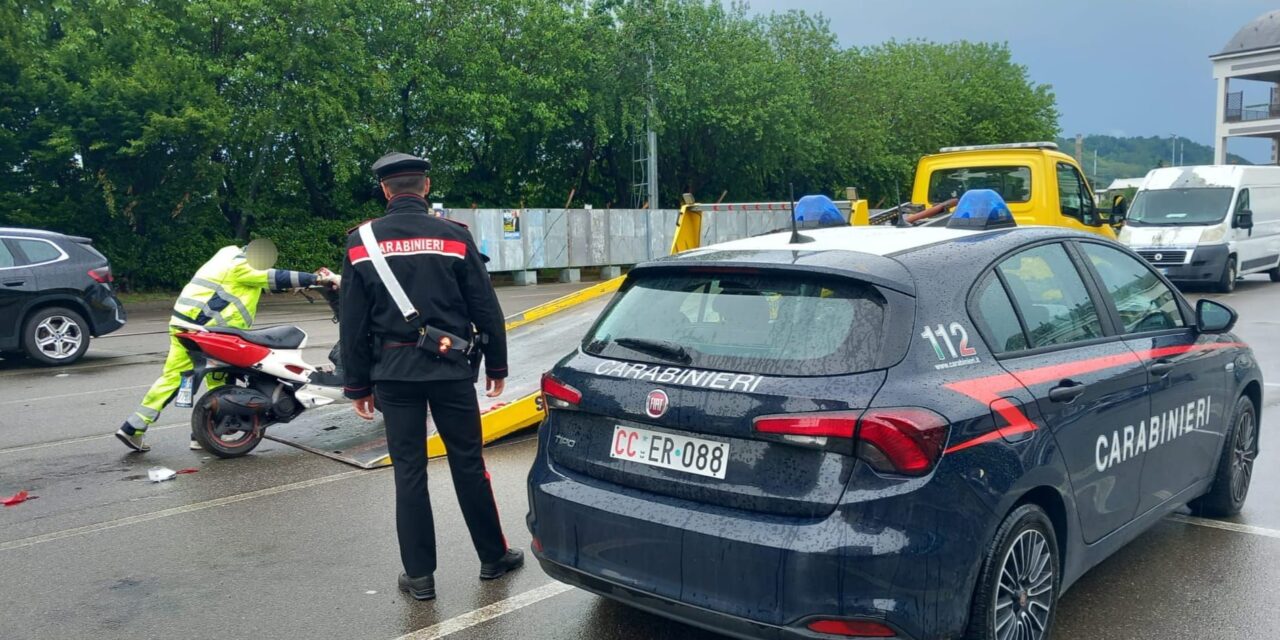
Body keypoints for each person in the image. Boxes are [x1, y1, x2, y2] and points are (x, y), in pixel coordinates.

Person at [340, 151, 521, 601]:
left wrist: (357, 385)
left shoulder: (361, 242)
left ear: (385, 190)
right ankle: (492, 558)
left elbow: (352, 322)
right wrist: (496, 365)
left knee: (409, 472)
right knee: (468, 463)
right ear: (426, 186)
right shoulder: (454, 236)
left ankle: (419, 577)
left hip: (394, 375)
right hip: (450, 370)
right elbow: (485, 307)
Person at [114, 240, 335, 452]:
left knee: (180, 378)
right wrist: (318, 278)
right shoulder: (242, 266)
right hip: (208, 330)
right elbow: (275, 277)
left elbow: (251, 284)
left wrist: (296, 285)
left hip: (185, 325)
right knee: (221, 378)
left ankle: (136, 427)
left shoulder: (226, 256)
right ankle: (204, 433)